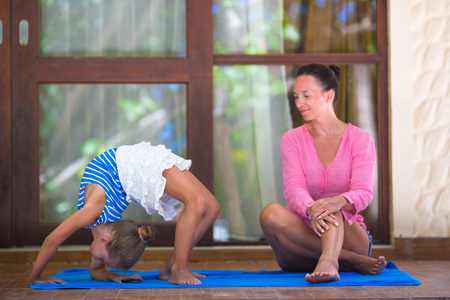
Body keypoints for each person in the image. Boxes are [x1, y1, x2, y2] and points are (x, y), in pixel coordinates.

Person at [259, 64, 386, 283]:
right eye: (296, 96)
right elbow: (293, 187)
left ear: (329, 96)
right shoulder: (292, 139)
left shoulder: (360, 139)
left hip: (350, 237)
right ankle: (348, 261)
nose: (299, 103)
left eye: (306, 96)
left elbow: (363, 192)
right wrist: (311, 210)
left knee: (332, 205)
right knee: (269, 213)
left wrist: (336, 202)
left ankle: (330, 258)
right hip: (299, 244)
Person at [30, 141, 220, 285]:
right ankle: (170, 270)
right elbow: (95, 272)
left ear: (105, 241)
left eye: (103, 260)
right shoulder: (107, 231)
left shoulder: (91, 213)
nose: (98, 262)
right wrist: (113, 274)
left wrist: (36, 277)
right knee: (211, 207)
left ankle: (178, 267)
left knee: (199, 203)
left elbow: (52, 240)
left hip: (126, 164)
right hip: (121, 173)